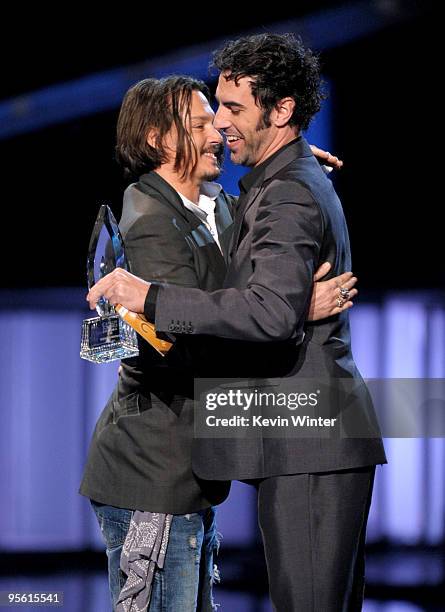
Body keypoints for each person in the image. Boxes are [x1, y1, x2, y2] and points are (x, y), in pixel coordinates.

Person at [81, 73, 353, 611]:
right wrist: (295, 310)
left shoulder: (218, 204)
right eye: (204, 120)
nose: (220, 129)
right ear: (161, 139)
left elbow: (250, 280)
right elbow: (188, 343)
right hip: (152, 473)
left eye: (222, 116)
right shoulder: (149, 217)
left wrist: (289, 164)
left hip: (193, 469)